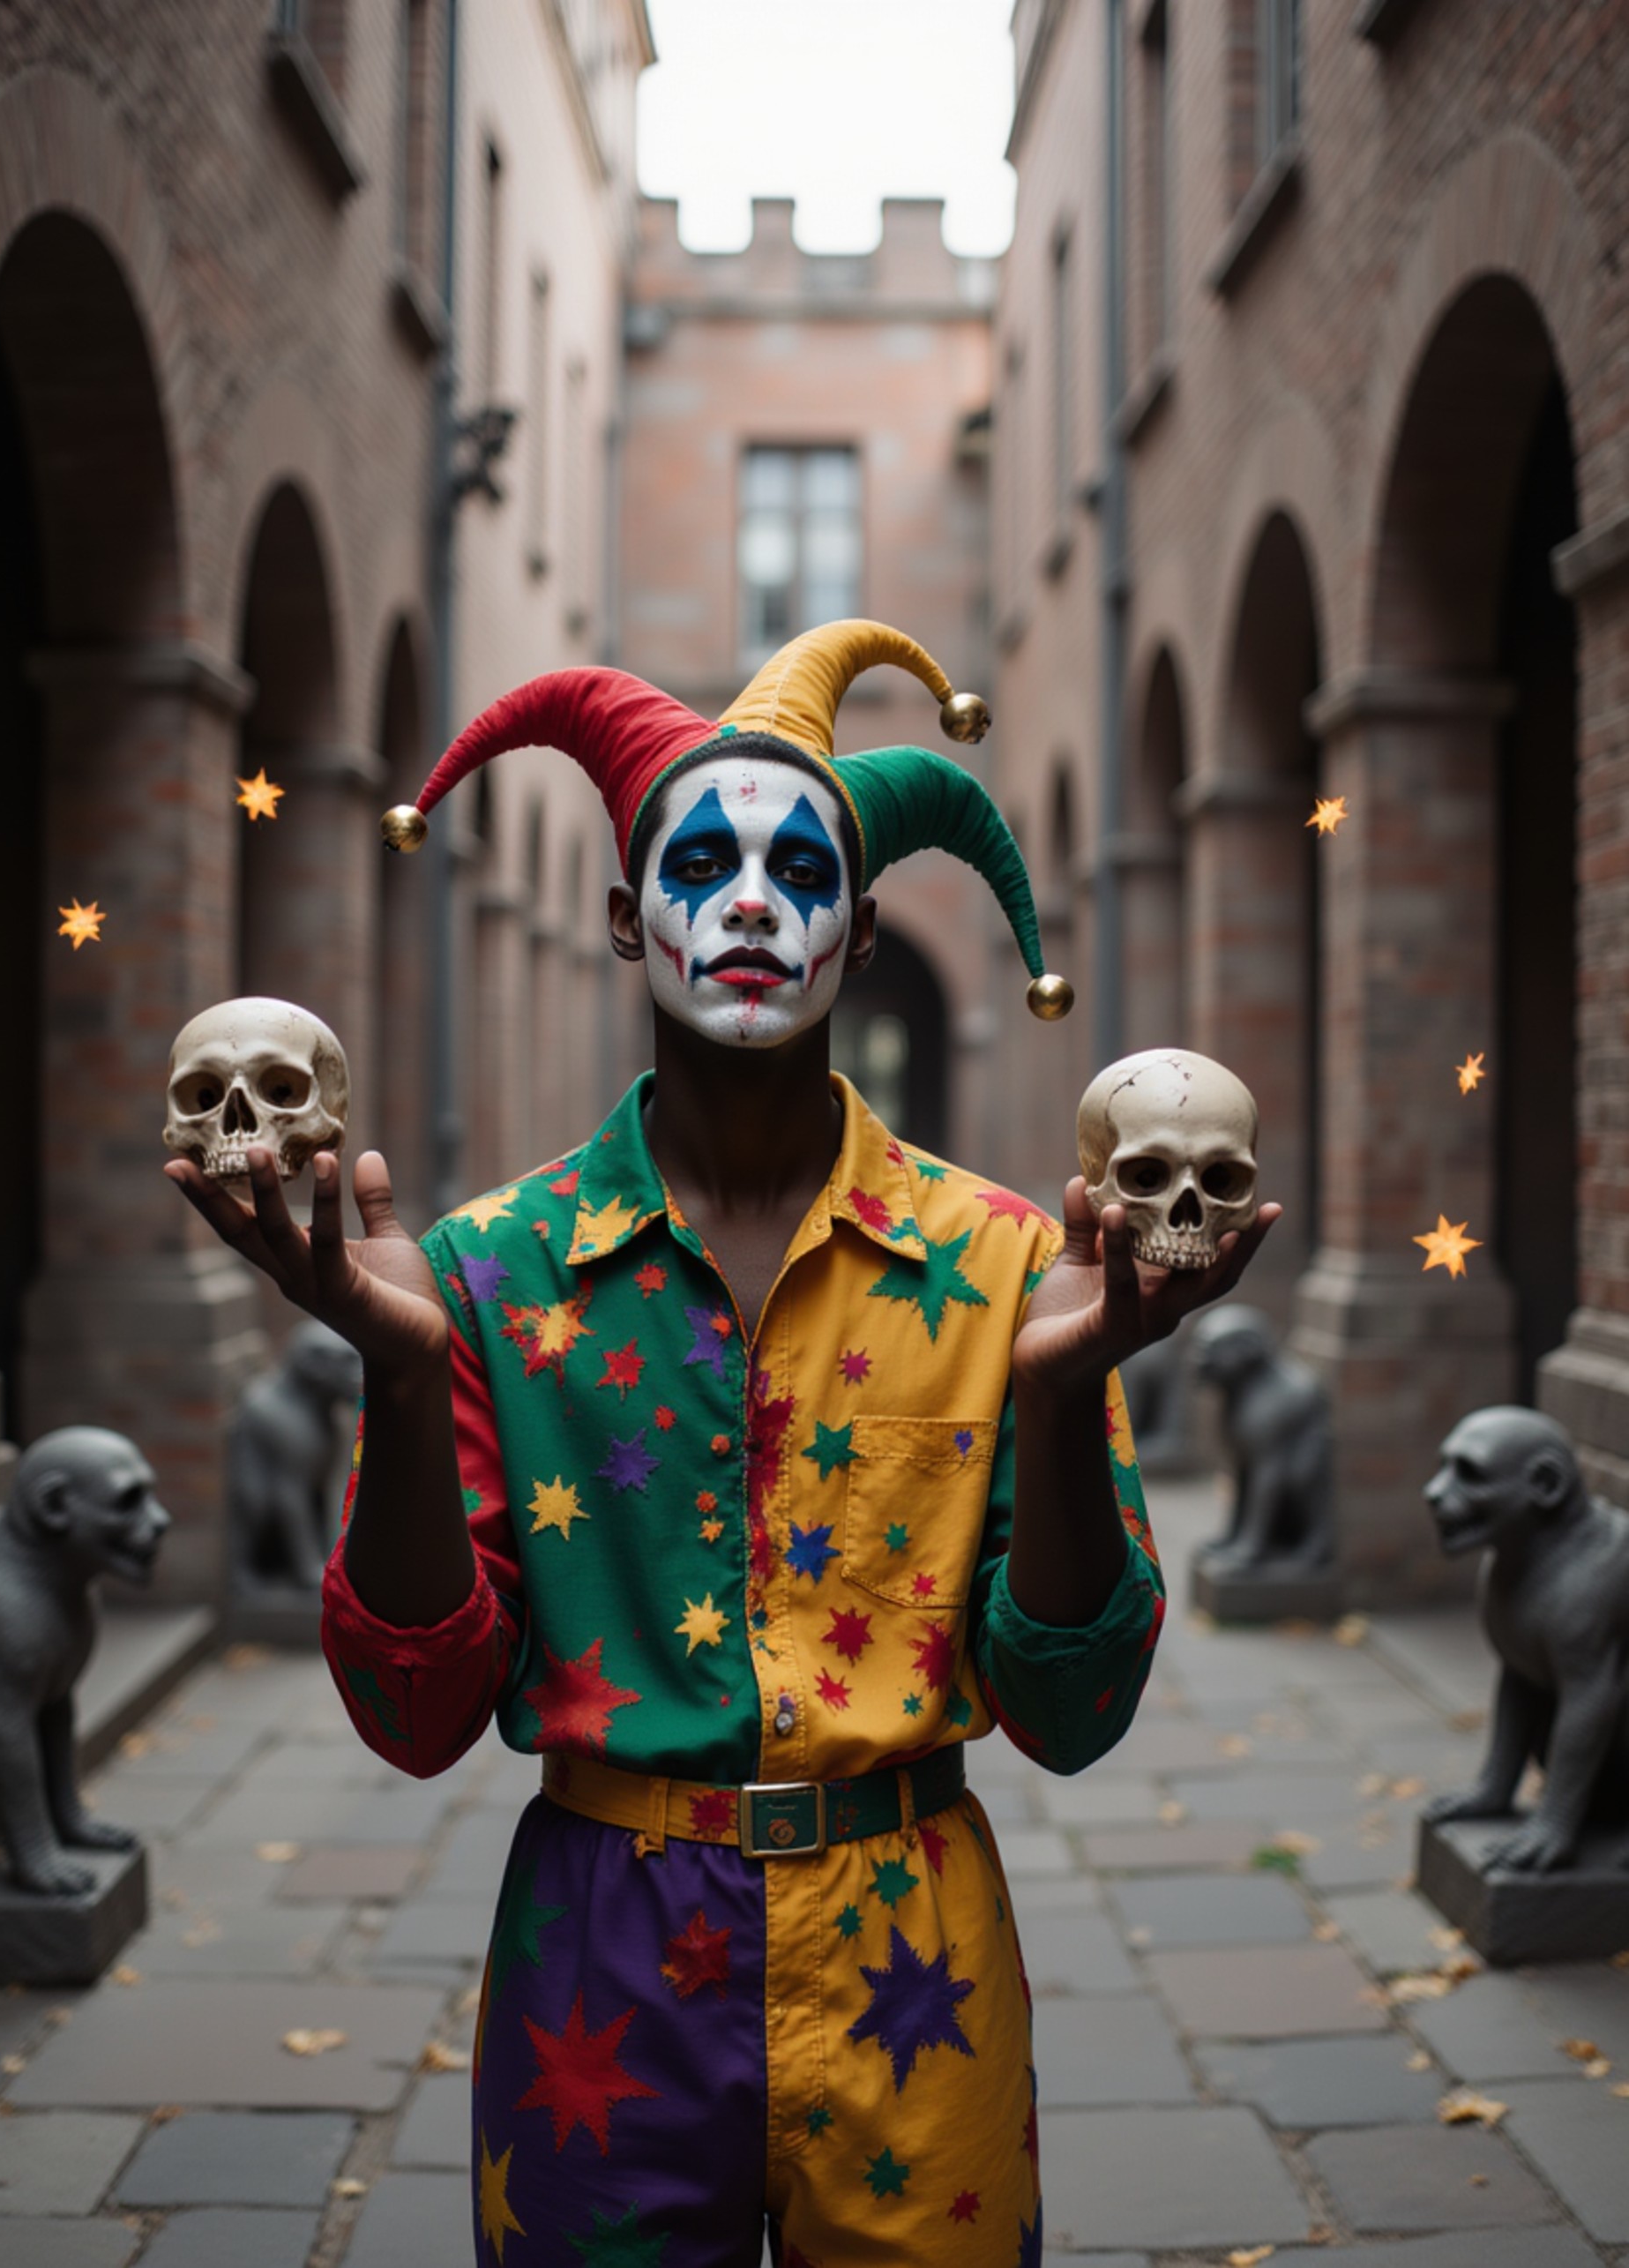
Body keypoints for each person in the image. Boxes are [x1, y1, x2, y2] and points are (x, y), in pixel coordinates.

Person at [167, 620, 1278, 2264]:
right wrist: (400, 1381)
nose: (751, 903)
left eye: (798, 871)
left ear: (864, 932)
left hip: (914, 1951)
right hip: (603, 1955)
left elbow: (1073, 1706)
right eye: (700, 863)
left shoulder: (1009, 1271)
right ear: (626, 918)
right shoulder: (490, 1274)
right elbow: (415, 1711)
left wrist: (1054, 1398)